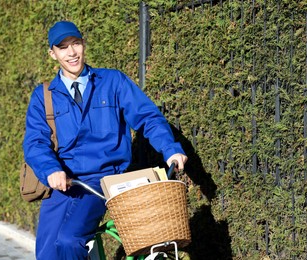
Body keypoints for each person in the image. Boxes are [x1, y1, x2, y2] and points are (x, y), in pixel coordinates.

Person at [23, 20, 188, 259]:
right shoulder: (43, 96)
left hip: (103, 181)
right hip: (64, 182)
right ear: (52, 53)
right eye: (63, 47)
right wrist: (51, 170)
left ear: (83, 45)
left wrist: (170, 149)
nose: (71, 52)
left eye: (76, 44)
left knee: (69, 241)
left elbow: (148, 117)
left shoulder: (113, 82)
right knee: (47, 252)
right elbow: (35, 142)